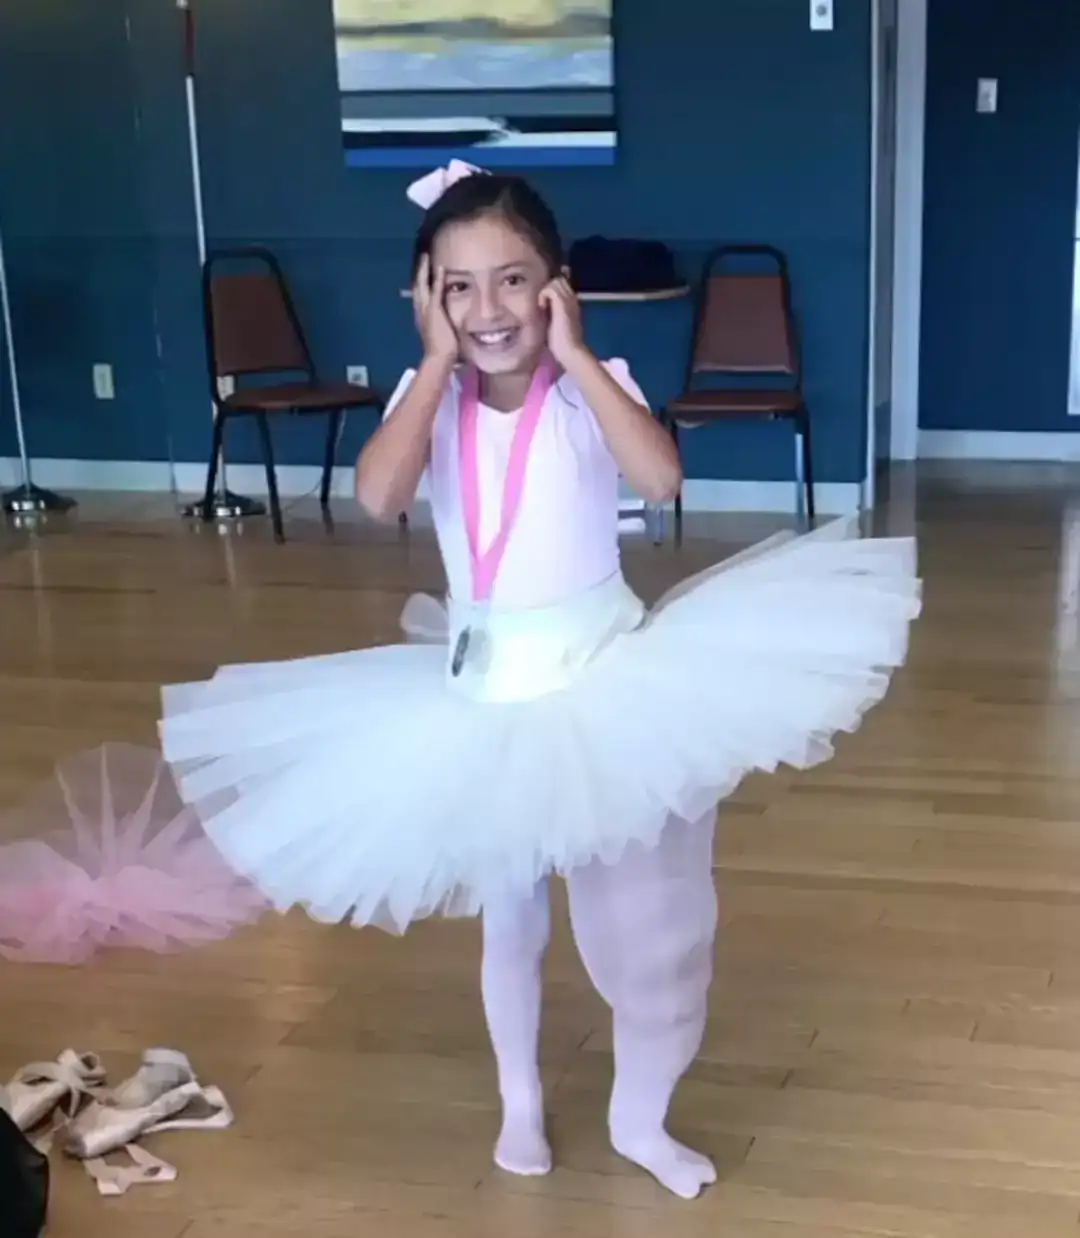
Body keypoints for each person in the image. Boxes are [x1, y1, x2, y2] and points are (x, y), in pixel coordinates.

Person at [157, 160, 921, 1199]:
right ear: (427, 298)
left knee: (649, 933)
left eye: (513, 280)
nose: (488, 309)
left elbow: (661, 478)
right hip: (482, 700)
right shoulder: (426, 400)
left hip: (606, 686)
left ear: (556, 286)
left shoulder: (594, 388)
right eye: (458, 286)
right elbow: (378, 497)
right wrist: (432, 364)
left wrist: (578, 356)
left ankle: (640, 1118)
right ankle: (519, 1098)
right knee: (509, 921)